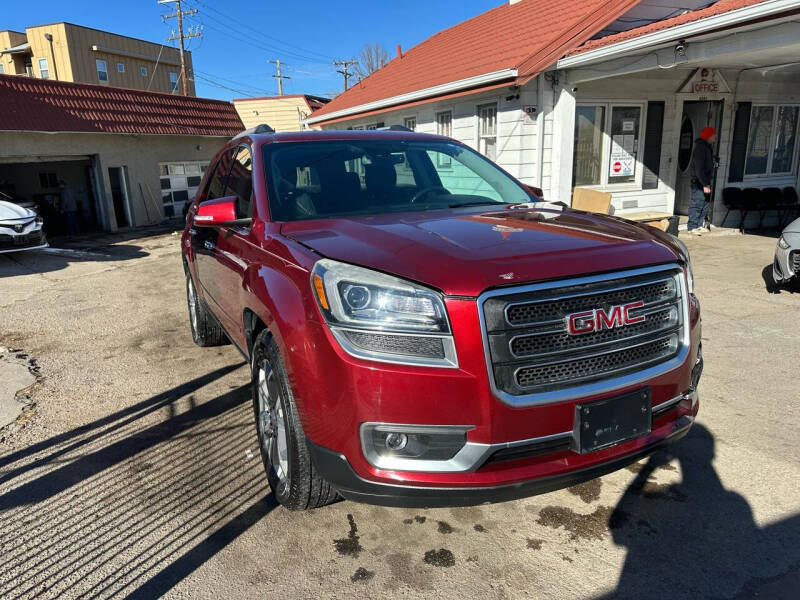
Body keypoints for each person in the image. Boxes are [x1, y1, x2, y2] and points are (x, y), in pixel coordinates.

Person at [688, 126, 716, 235]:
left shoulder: (708, 147)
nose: (715, 137)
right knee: (697, 203)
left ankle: (699, 225)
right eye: (713, 135)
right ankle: (692, 227)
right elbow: (699, 169)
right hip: (699, 181)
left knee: (705, 204)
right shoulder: (700, 148)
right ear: (708, 136)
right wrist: (704, 184)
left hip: (706, 180)